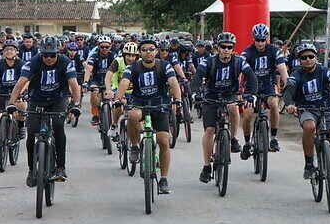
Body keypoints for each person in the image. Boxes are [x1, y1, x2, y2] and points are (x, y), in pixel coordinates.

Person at [6, 36, 81, 186]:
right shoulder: (33, 62)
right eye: (45, 55)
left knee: (59, 126)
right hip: (37, 100)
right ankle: (32, 170)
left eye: (52, 55)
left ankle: (60, 167)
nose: (48, 58)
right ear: (41, 54)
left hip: (58, 99)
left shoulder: (66, 62)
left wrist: (76, 105)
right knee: (31, 132)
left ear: (57, 53)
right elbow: (20, 83)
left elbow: (73, 84)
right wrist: (12, 103)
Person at [284, 44, 330, 184]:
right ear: (299, 60)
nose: (308, 60)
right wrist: (289, 104)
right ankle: (309, 164)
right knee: (309, 128)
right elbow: (288, 90)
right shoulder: (296, 74)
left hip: (326, 109)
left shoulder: (325, 71)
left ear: (316, 57)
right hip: (306, 109)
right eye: (304, 58)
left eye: (311, 56)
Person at [115, 38, 181, 194]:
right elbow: (124, 82)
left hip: (160, 105)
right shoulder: (133, 67)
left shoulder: (164, 66)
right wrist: (118, 99)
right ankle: (135, 146)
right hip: (140, 103)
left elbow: (173, 82)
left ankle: (163, 179)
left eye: (151, 49)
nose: (148, 52)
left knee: (164, 141)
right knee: (131, 115)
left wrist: (177, 99)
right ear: (140, 52)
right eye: (144, 49)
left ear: (156, 51)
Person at [191, 32, 258, 183]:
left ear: (233, 49)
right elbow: (196, 78)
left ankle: (233, 138)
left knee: (233, 108)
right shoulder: (208, 62)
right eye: (223, 47)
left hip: (230, 95)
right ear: (217, 48)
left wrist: (251, 94)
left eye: (230, 47)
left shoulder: (239, 61)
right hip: (211, 96)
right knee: (210, 130)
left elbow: (251, 76)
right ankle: (207, 166)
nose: (226, 50)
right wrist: (195, 94)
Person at [240, 23, 289, 157]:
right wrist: (238, 89)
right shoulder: (247, 52)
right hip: (251, 86)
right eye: (257, 40)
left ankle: (273, 138)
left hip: (268, 84)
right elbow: (239, 72)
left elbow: (282, 68)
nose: (260, 43)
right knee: (248, 113)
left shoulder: (274, 50)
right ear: (253, 38)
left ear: (267, 38)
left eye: (263, 40)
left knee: (274, 104)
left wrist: (289, 85)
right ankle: (246, 142)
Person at [0, 39, 27, 160]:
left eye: (12, 49)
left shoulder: (22, 64)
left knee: (22, 105)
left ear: (16, 52)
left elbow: (26, 80)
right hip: (3, 91)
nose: (9, 52)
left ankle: (21, 125)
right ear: (3, 52)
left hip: (17, 91)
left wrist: (20, 92)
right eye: (6, 49)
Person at [104, 41, 140, 138]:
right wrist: (108, 90)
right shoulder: (117, 61)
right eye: (128, 55)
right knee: (118, 106)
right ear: (124, 55)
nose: (131, 58)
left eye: (133, 56)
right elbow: (108, 76)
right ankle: (114, 125)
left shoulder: (140, 63)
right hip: (118, 89)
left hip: (134, 92)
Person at [83, 35, 116, 126]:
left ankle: (113, 118)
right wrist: (85, 82)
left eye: (107, 47)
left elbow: (117, 70)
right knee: (94, 92)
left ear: (110, 46)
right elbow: (89, 69)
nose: (104, 49)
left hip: (109, 81)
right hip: (96, 80)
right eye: (102, 47)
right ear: (98, 46)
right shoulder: (94, 56)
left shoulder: (113, 56)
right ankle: (95, 115)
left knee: (111, 97)